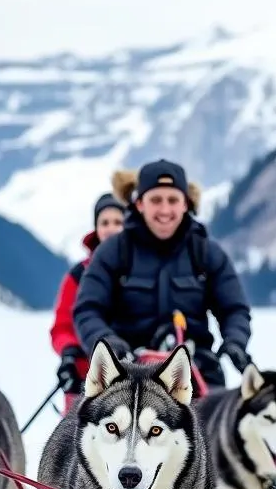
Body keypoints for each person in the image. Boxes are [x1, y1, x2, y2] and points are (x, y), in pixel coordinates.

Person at [72, 159, 252, 389]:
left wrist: (235, 341)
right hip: (127, 373)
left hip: (196, 372)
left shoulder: (206, 253)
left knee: (222, 422)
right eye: (156, 200)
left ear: (185, 204)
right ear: (139, 204)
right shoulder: (112, 252)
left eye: (173, 200)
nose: (165, 209)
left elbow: (234, 309)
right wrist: (109, 345)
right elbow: (88, 310)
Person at [50, 192, 126, 403]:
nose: (111, 228)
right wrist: (69, 351)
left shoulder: (139, 270)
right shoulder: (78, 275)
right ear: (96, 227)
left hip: (133, 369)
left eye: (118, 222)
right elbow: (61, 326)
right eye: (105, 222)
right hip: (85, 373)